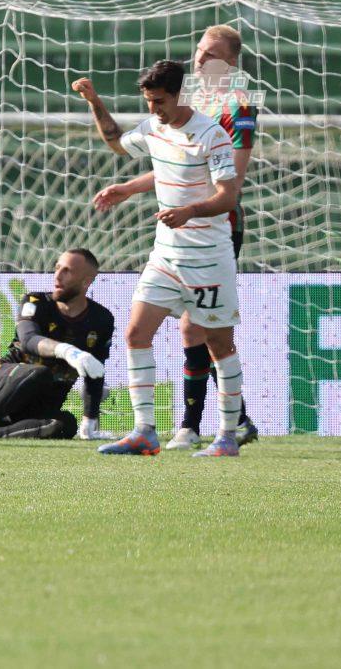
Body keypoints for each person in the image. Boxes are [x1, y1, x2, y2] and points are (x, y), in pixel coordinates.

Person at [92, 25, 259, 450]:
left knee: (206, 334)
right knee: (146, 332)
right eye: (200, 52)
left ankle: (225, 428)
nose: (203, 60)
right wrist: (129, 187)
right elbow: (172, 161)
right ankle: (157, 430)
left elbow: (227, 186)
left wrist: (191, 207)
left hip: (212, 234)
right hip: (169, 243)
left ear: (231, 64)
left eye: (213, 56)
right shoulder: (166, 113)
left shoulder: (236, 110)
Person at [0, 249, 115, 442]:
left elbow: (95, 372)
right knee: (39, 372)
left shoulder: (102, 319)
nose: (57, 276)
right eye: (57, 268)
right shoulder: (36, 302)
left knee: (65, 424)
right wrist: (67, 351)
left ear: (86, 281)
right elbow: (29, 340)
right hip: (7, 384)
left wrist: (89, 423)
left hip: (41, 402)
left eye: (67, 271)